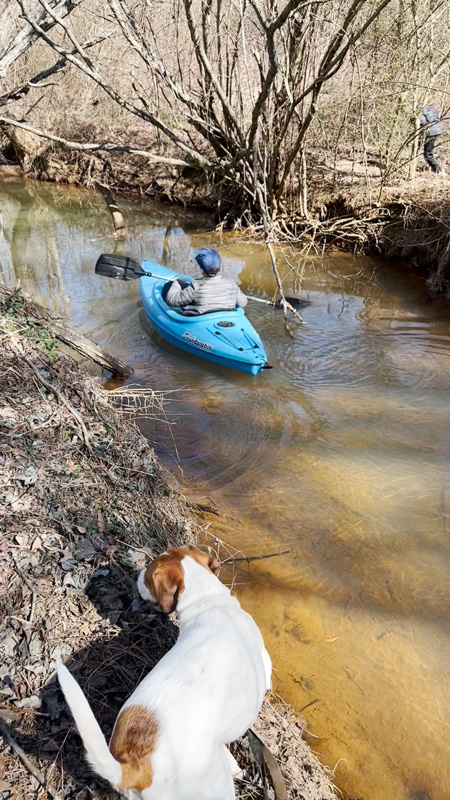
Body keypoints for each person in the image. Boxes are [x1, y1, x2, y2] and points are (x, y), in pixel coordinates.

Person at [164, 248, 248, 315]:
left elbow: (172, 300)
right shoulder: (232, 284)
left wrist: (177, 283)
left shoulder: (195, 286)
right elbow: (243, 303)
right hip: (226, 318)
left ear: (202, 271)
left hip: (199, 321)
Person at [418, 105, 446, 177]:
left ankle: (439, 171)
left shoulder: (419, 110)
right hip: (437, 131)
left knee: (428, 154)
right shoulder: (431, 109)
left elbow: (422, 122)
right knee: (426, 152)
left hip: (430, 133)